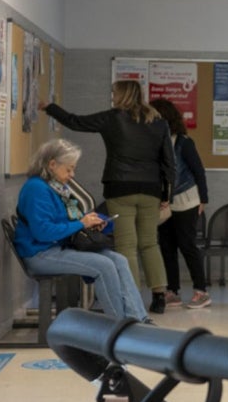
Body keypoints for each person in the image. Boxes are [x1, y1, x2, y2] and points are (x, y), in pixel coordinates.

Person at [39, 80, 174, 314]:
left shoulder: (113, 118)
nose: (112, 97)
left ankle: (132, 298)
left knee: (126, 245)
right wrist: (166, 193)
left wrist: (49, 107)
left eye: (114, 93)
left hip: (120, 187)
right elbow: (169, 161)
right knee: (150, 242)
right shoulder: (158, 122)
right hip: (151, 188)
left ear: (122, 95)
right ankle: (159, 295)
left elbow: (76, 122)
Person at [14, 139, 151, 323]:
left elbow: (67, 218)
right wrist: (81, 224)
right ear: (52, 165)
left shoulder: (56, 187)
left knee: (119, 260)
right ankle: (119, 326)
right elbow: (43, 232)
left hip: (57, 247)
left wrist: (92, 222)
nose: (72, 175)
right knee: (104, 266)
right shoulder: (36, 189)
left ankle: (138, 318)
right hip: (40, 253)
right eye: (68, 169)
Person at [150, 99, 211, 309]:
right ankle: (172, 291)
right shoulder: (155, 142)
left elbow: (198, 171)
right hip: (166, 204)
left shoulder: (184, 142)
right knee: (167, 247)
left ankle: (201, 291)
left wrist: (203, 199)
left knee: (187, 246)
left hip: (187, 201)